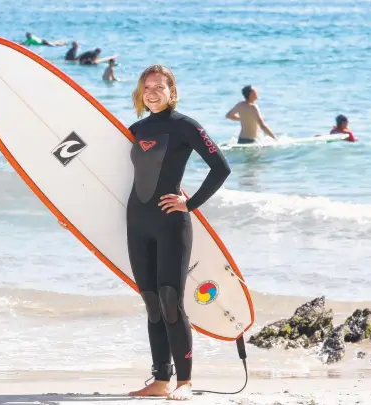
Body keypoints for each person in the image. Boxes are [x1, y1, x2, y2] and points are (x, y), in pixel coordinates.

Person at [127, 65, 231, 401]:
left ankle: (184, 382)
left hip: (171, 224)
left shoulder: (185, 126)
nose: (153, 93)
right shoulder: (136, 128)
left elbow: (221, 167)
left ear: (172, 91)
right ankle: (160, 380)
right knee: (152, 303)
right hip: (137, 223)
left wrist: (191, 203)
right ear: (141, 93)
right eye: (147, 87)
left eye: (160, 86)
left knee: (171, 301)